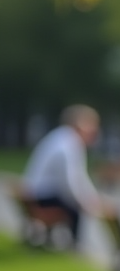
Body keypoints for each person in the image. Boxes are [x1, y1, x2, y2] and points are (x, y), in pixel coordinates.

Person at [21, 105, 111, 246]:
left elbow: (79, 177)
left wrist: (91, 197)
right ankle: (75, 245)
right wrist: (85, 202)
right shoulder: (70, 144)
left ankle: (73, 244)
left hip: (36, 194)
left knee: (76, 205)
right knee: (75, 209)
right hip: (44, 196)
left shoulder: (61, 137)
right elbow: (71, 182)